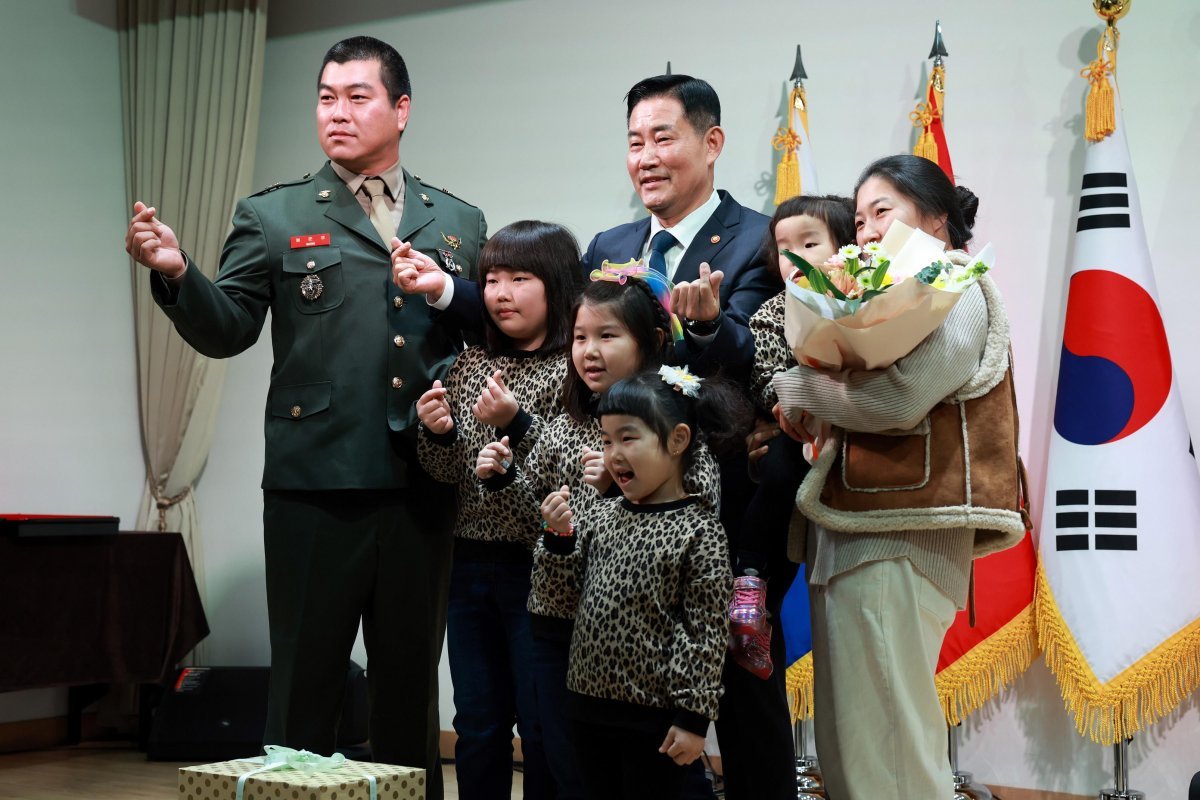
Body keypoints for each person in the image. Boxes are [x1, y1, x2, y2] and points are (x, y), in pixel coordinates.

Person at [124, 35, 486, 799]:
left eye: (359, 96)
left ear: (401, 109)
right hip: (312, 485)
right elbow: (227, 329)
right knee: (303, 693)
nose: (339, 112)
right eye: (327, 97)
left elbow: (481, 337)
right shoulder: (274, 214)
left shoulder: (459, 220)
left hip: (423, 489)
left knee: (409, 694)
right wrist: (180, 275)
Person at [771, 154, 1026, 799]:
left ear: (937, 218)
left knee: (892, 752)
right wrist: (809, 408)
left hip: (902, 538)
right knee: (852, 747)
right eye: (858, 220)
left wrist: (797, 385)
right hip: (852, 531)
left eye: (882, 211)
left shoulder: (958, 290)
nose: (866, 230)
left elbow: (899, 402)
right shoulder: (881, 298)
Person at [474, 273, 722, 800]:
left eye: (607, 336)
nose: (589, 351)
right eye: (580, 337)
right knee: (562, 763)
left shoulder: (678, 430)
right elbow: (535, 524)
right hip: (557, 626)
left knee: (654, 778)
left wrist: (615, 493)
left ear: (651, 342)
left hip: (640, 649)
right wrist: (508, 480)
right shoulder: (563, 424)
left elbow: (697, 538)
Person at [415, 221, 580, 799]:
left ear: (557, 286)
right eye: (489, 279)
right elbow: (449, 475)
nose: (500, 293)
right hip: (468, 567)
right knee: (478, 727)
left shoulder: (575, 370)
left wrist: (517, 425)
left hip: (541, 572)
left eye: (519, 278)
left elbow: (569, 478)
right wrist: (436, 436)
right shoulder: (472, 362)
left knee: (539, 728)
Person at [536, 367, 752, 800]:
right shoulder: (599, 513)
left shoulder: (700, 530)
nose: (614, 454)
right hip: (587, 707)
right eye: (606, 439)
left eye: (628, 437)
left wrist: (693, 719)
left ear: (677, 440)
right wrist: (558, 540)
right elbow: (557, 599)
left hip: (655, 719)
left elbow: (706, 633)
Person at [729, 195, 855, 679]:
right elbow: (764, 373)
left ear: (845, 248)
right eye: (784, 248)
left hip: (854, 441)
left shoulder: (868, 302)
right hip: (793, 431)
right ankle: (751, 586)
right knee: (778, 468)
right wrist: (786, 401)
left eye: (810, 243)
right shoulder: (772, 311)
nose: (796, 257)